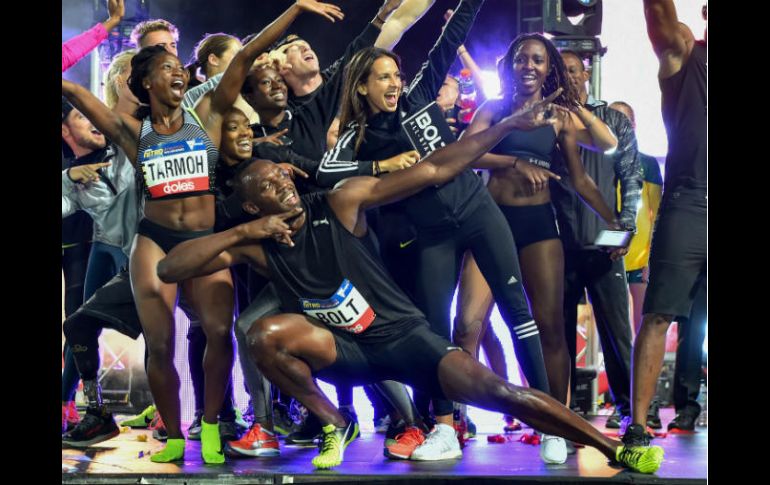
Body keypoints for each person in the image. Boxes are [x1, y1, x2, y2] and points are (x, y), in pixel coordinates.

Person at [157, 92, 663, 474]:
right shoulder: (254, 240)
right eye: (269, 186)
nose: (284, 185)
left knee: (501, 392)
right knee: (264, 334)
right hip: (343, 354)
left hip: (402, 339)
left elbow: (436, 167)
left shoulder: (340, 202)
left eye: (284, 178)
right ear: (252, 206)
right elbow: (170, 268)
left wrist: (506, 125)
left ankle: (614, 447)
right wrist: (245, 231)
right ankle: (336, 422)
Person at [61, 0, 344, 464]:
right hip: (153, 242)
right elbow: (70, 88)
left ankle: (211, 424)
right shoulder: (131, 131)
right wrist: (105, 27)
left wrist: (295, 9)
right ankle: (173, 434)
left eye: (180, 66)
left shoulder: (209, 112)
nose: (179, 72)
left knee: (218, 332)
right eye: (167, 67)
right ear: (146, 81)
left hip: (206, 240)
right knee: (161, 344)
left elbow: (249, 54)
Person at [452, 32, 619, 463]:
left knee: (551, 327)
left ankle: (556, 425)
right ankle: (452, 422)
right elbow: (465, 154)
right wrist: (514, 161)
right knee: (467, 324)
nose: (529, 65)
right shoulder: (494, 110)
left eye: (539, 60)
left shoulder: (559, 118)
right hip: (491, 223)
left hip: (540, 228)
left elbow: (583, 174)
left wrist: (611, 218)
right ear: (510, 66)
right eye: (522, 58)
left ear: (549, 70)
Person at [625, 0, 707, 447]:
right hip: (690, 202)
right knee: (657, 315)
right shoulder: (685, 52)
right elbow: (658, 12)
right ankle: (638, 426)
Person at [547, 49, 642, 431]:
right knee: (558, 333)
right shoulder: (549, 122)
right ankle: (560, 411)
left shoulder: (613, 120)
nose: (568, 76)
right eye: (562, 71)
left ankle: (630, 410)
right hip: (557, 246)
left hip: (605, 245)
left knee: (618, 334)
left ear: (586, 74)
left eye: (573, 70)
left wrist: (625, 229)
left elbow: (631, 179)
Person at [606, 100, 664, 429]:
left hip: (640, 258)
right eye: (613, 120)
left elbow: (657, 214)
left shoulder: (648, 165)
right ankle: (623, 404)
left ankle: (648, 404)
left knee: (644, 333)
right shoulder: (599, 159)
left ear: (635, 125)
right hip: (611, 256)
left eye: (624, 120)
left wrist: (653, 259)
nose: (617, 126)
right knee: (618, 335)